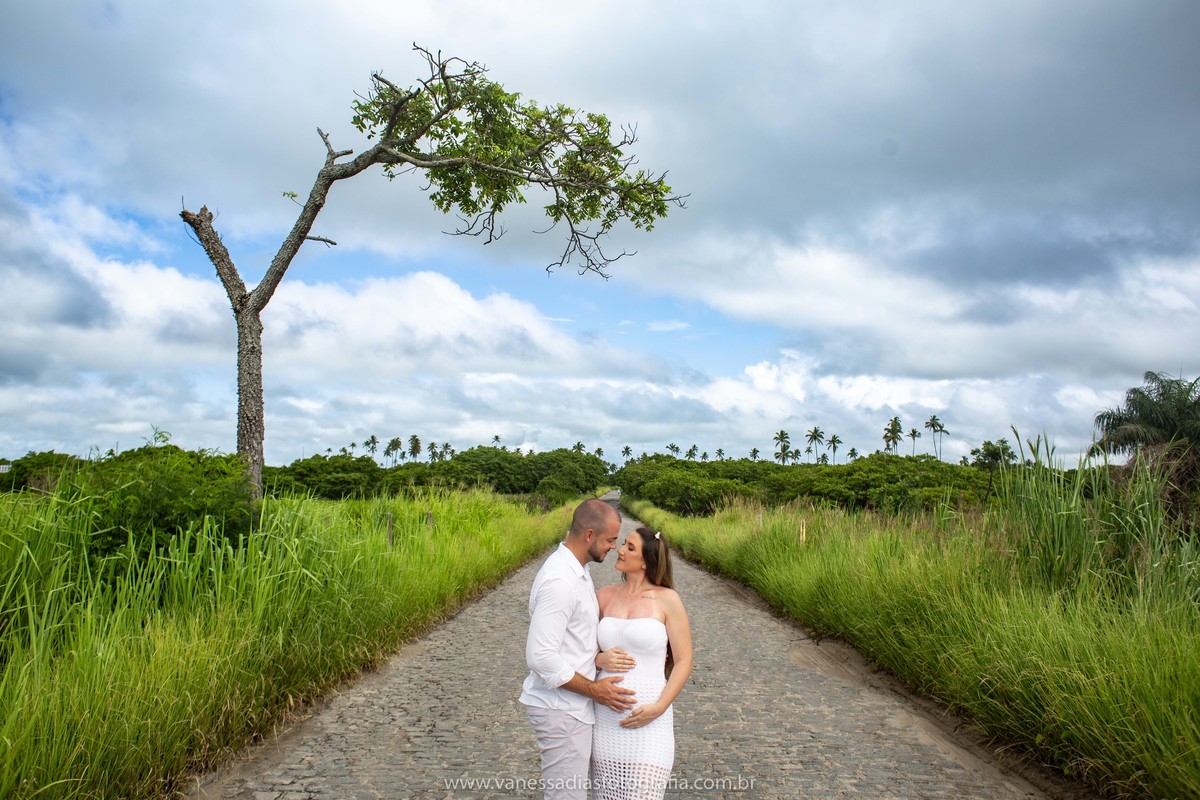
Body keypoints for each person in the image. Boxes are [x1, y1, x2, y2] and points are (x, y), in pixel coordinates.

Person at [521, 498, 637, 800]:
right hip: (561, 709)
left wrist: (596, 657)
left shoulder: (577, 571)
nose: (614, 547)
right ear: (589, 535)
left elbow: (573, 639)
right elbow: (540, 656)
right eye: (610, 539)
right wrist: (594, 690)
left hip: (569, 708)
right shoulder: (561, 580)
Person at [591, 527, 693, 800]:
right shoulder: (604, 596)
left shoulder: (668, 600)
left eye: (630, 547)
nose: (620, 550)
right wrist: (598, 658)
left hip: (650, 720)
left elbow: (683, 660)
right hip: (606, 721)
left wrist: (659, 707)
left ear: (646, 561)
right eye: (623, 544)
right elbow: (578, 650)